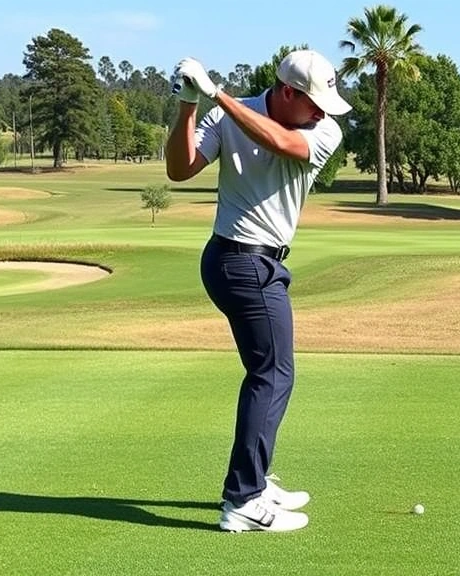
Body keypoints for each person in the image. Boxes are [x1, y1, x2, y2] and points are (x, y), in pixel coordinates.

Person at [165, 50, 351, 533]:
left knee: (272, 372)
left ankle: (254, 481)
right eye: (314, 101)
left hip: (258, 263)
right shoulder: (227, 113)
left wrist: (217, 97)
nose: (323, 111)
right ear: (287, 92)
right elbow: (180, 169)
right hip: (239, 261)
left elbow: (283, 143)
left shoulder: (322, 130)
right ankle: (243, 499)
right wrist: (188, 105)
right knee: (271, 374)